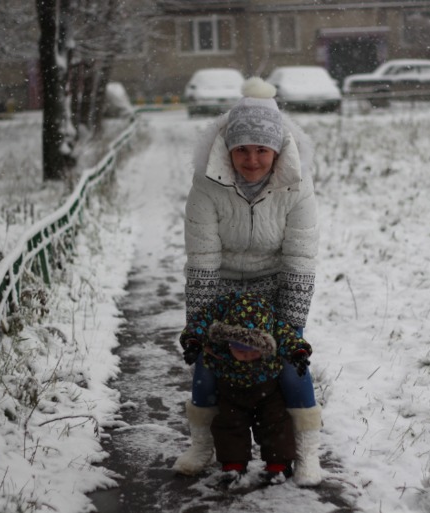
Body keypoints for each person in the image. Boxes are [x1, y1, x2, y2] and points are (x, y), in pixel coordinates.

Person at [173, 76, 322, 486]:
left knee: (291, 370)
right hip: (222, 289)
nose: (252, 159)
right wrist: (199, 327)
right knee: (208, 367)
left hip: (275, 289)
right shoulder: (205, 186)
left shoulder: (297, 188)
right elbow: (202, 259)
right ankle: (202, 446)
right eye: (243, 149)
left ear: (278, 150)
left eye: (262, 150)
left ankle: (307, 452)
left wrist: (290, 328)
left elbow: (299, 258)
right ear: (228, 149)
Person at [179, 292, 312, 482]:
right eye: (241, 350)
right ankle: (233, 465)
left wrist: (299, 354)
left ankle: (279, 466)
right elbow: (198, 324)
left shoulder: (271, 324)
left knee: (275, 424)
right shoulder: (220, 334)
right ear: (229, 342)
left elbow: (289, 337)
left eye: (254, 351)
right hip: (229, 389)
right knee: (229, 424)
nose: (247, 356)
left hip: (268, 390)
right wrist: (193, 343)